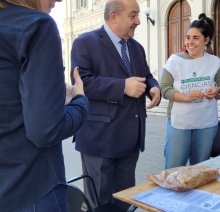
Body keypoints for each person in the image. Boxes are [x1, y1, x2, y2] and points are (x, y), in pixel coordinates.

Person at [0, 0, 88, 211]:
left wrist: (50, 99)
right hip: (29, 192)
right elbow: (46, 130)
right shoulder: (35, 25)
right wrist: (80, 101)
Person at [70, 0, 161, 209]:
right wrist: (122, 87)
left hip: (130, 140)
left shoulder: (136, 48)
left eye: (138, 15)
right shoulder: (85, 42)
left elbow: (146, 76)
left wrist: (153, 88)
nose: (138, 21)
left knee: (125, 199)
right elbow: (82, 82)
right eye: (133, 15)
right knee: (100, 202)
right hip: (100, 139)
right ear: (113, 16)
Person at [160, 13, 220, 169]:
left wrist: (217, 92)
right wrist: (186, 97)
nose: (190, 42)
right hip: (180, 122)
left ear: (207, 40)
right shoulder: (175, 60)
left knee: (200, 168)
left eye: (195, 38)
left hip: (206, 122)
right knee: (174, 168)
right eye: (188, 37)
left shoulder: (215, 62)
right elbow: (164, 89)